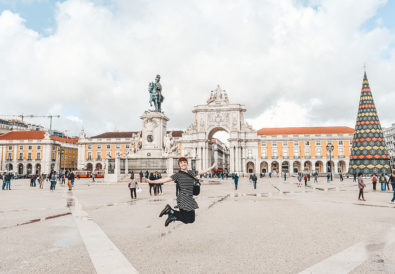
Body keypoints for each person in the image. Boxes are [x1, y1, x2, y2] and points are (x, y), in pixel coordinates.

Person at [143, 157, 216, 227]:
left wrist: (212, 167)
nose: (183, 164)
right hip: (183, 198)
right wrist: (151, 181)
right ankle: (171, 212)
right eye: (181, 163)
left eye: (184, 162)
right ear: (179, 165)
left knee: (191, 219)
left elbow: (202, 171)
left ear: (187, 164)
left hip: (189, 198)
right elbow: (164, 180)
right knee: (189, 219)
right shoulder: (177, 175)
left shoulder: (191, 173)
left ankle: (171, 213)